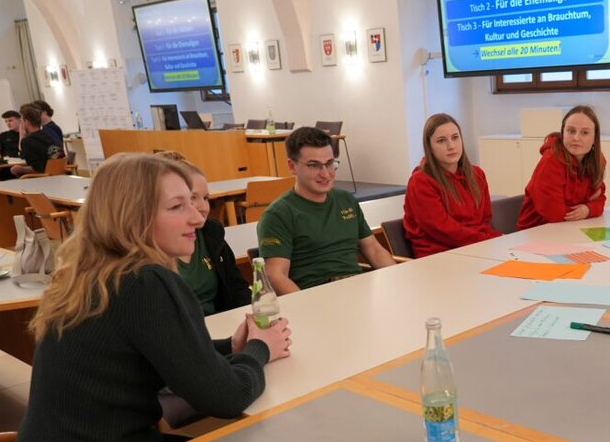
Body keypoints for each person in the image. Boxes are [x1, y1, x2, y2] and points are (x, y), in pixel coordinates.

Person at [14, 153, 292, 442]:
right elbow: (227, 397)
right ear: (132, 216)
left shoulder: (92, 272)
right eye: (177, 207)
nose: (197, 217)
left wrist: (229, 348)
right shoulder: (146, 282)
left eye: (193, 202)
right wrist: (260, 348)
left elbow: (145, 353)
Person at [257, 126, 395, 293]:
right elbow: (275, 275)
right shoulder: (278, 214)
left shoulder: (345, 200)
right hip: (316, 294)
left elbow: (374, 250)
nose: (325, 174)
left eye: (330, 163)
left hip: (357, 289)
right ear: (292, 166)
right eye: (314, 165)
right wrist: (308, 306)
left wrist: (396, 281)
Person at [157, 151, 251, 314]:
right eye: (192, 198)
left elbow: (237, 288)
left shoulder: (211, 233)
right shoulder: (151, 254)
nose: (203, 207)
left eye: (206, 198)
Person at [403, 113, 499, 257]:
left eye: (455, 137)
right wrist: (490, 241)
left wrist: (499, 241)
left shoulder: (477, 174)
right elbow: (443, 230)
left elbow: (485, 220)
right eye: (441, 141)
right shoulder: (420, 182)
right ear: (429, 147)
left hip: (476, 248)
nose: (451, 146)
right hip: (439, 255)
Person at [516, 105, 606, 230]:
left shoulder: (597, 160)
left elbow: (600, 198)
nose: (576, 138)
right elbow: (554, 214)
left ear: (594, 138)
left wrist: (588, 209)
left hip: (573, 227)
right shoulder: (551, 161)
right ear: (563, 133)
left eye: (585, 132)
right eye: (571, 131)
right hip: (538, 230)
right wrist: (586, 205)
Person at [10, 103, 62, 176]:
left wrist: (20, 169)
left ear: (26, 121)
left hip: (44, 178)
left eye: (21, 121)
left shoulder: (28, 141)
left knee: (13, 170)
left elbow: (37, 168)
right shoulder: (47, 135)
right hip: (57, 174)